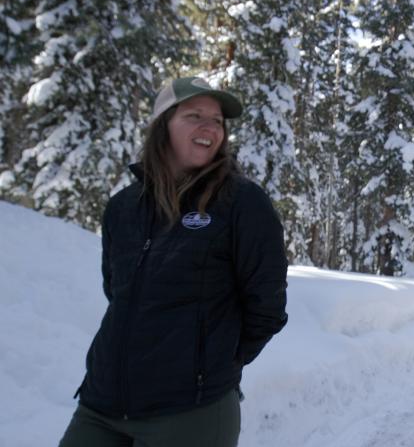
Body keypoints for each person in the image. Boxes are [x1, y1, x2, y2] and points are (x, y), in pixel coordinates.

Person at [59, 77, 289, 447]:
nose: (209, 127)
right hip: (102, 401)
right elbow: (117, 291)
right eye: (194, 115)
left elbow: (267, 306)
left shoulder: (241, 203)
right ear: (162, 125)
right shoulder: (123, 207)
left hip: (190, 411)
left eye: (217, 120)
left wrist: (211, 365)